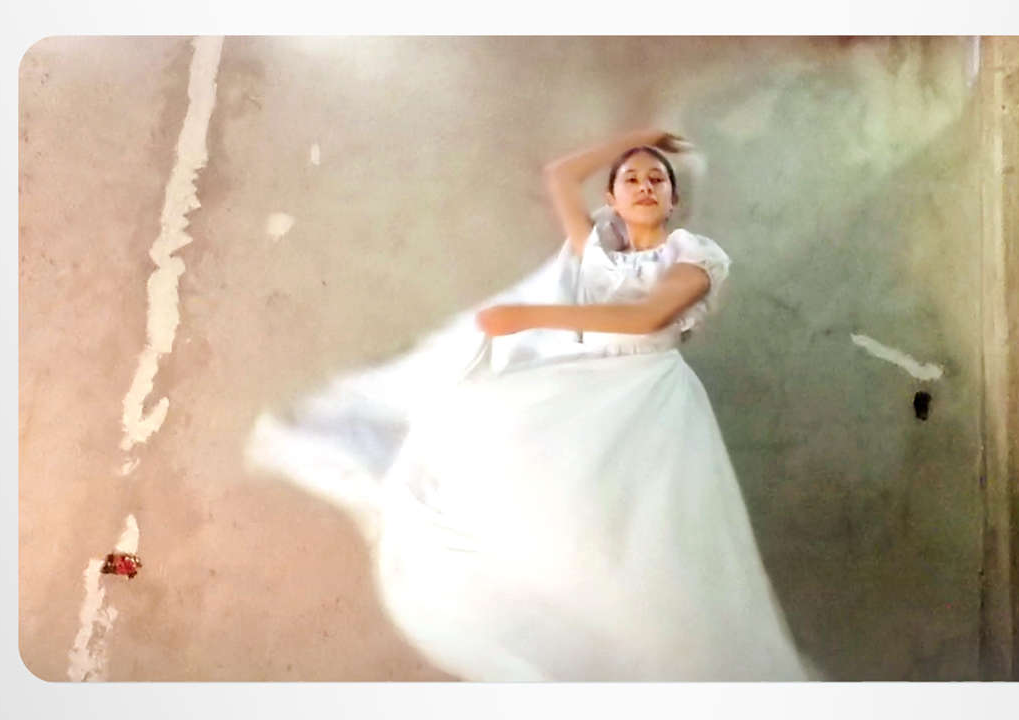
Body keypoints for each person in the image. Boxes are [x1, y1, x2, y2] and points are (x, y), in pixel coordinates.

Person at [246, 128, 810, 681]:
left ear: (674, 198)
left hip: (643, 402)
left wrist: (531, 316)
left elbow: (645, 317)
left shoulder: (694, 257)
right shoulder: (599, 254)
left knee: (642, 561)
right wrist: (639, 139)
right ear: (612, 197)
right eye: (631, 179)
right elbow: (560, 176)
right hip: (580, 391)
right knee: (489, 467)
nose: (644, 186)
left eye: (657, 179)